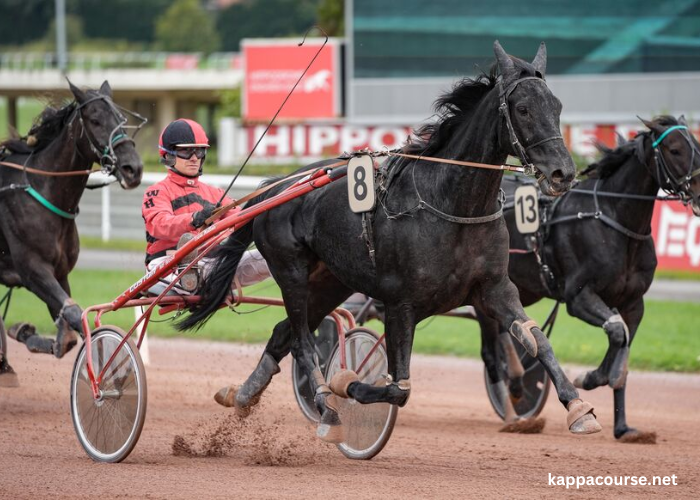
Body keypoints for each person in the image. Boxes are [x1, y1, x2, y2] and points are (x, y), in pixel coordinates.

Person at [142, 118, 270, 293]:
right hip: (165, 266)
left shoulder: (215, 194)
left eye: (199, 151)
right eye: (186, 151)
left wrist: (269, 215)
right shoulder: (157, 191)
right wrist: (195, 219)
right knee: (195, 262)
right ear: (168, 154)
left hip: (213, 264)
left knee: (274, 255)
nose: (194, 158)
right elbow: (159, 225)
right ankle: (189, 273)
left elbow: (241, 220)